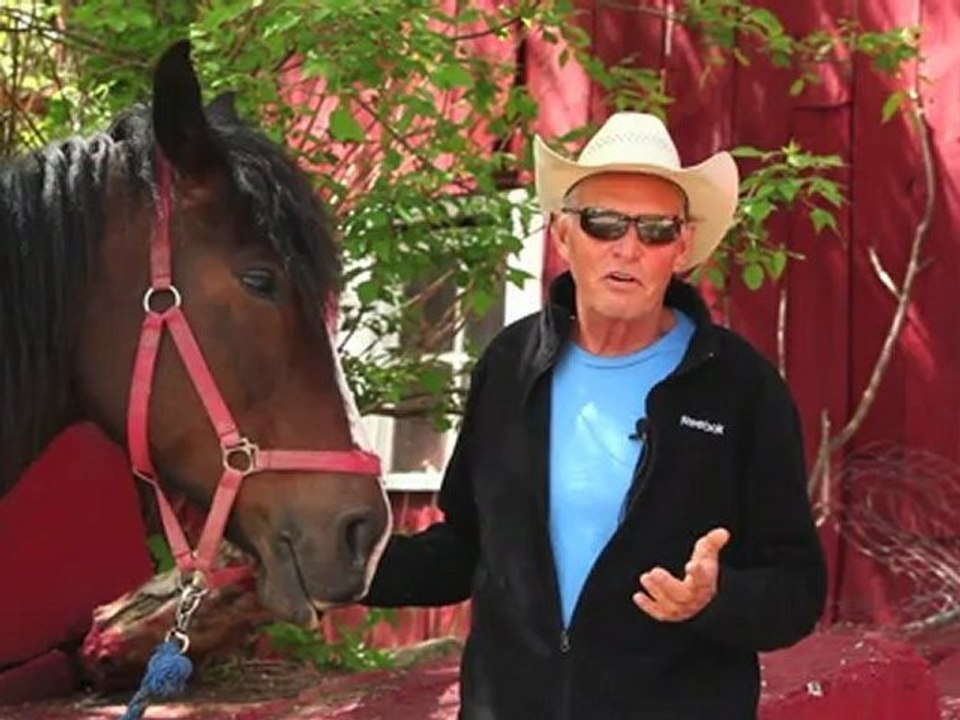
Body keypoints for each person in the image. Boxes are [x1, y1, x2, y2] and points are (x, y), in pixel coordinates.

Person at [364, 112, 827, 720]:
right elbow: (468, 548)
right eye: (603, 222)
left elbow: (797, 588)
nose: (627, 248)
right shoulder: (510, 365)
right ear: (563, 235)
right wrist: (350, 569)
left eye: (655, 230)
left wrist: (717, 597)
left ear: (683, 247)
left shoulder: (740, 387)